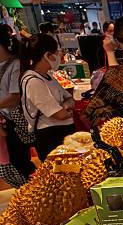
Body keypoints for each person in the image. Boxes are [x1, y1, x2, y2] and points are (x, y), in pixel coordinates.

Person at [19, 33, 75, 161]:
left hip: (63, 133)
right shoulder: (32, 80)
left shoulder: (48, 77)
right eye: (56, 52)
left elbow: (70, 99)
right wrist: (65, 109)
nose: (59, 55)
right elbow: (60, 115)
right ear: (47, 55)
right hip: (52, 138)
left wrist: (65, 106)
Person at [0, 25, 35, 187]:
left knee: (19, 161)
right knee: (11, 162)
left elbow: (15, 97)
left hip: (15, 123)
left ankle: (34, 191)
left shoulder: (15, 65)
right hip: (5, 122)